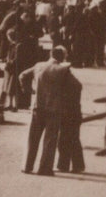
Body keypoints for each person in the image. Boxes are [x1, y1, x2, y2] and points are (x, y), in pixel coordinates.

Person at [19, 45, 71, 176]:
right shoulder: (63, 70)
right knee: (50, 139)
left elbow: (22, 75)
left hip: (38, 106)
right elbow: (74, 87)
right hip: (54, 109)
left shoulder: (39, 65)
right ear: (62, 57)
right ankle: (45, 168)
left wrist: (29, 90)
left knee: (33, 138)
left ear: (50, 54)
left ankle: (27, 166)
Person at [56, 67, 85, 174]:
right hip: (74, 115)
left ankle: (64, 165)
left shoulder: (68, 85)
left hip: (69, 115)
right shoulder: (74, 82)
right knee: (73, 140)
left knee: (64, 141)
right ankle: (77, 166)